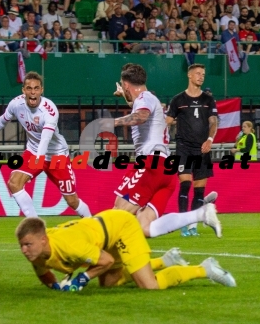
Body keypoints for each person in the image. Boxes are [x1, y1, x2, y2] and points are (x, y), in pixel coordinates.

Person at [113, 64, 222, 239]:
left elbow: (141, 116)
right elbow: (143, 112)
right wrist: (126, 98)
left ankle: (93, 254)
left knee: (118, 211)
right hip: (165, 170)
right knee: (144, 227)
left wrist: (110, 123)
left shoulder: (144, 98)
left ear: (126, 85)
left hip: (150, 164)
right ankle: (201, 214)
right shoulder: (148, 101)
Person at [0, 72, 91, 218]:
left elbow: (46, 137)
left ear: (41, 90)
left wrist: (40, 157)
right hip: (33, 152)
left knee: (72, 201)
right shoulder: (16, 104)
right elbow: (2, 121)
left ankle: (92, 222)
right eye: (29, 88)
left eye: (36, 88)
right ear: (23, 90)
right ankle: (34, 224)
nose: (33, 92)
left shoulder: (49, 110)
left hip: (56, 156)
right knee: (14, 183)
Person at [16, 209, 236, 291]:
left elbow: (105, 261)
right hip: (103, 234)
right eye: (22, 245)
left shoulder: (69, 245)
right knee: (109, 283)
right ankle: (165, 261)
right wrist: (56, 287)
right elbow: (45, 274)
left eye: (28, 244)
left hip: (122, 228)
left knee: (149, 285)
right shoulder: (37, 254)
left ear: (43, 240)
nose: (25, 250)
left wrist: (80, 280)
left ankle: (205, 269)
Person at [165, 64, 219, 237]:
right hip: (184, 148)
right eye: (197, 73)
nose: (201, 76)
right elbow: (167, 121)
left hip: (202, 149)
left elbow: (213, 122)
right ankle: (183, 224)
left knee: (199, 189)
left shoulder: (208, 100)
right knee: (185, 184)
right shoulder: (178, 100)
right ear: (189, 75)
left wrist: (210, 139)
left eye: (203, 74)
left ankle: (193, 225)